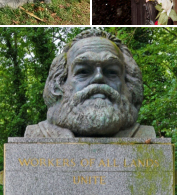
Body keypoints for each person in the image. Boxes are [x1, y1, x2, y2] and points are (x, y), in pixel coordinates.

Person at [25, 30, 155, 138]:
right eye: (83, 71)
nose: (98, 77)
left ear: (129, 84)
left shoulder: (144, 136)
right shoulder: (37, 135)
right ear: (59, 84)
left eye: (111, 72)